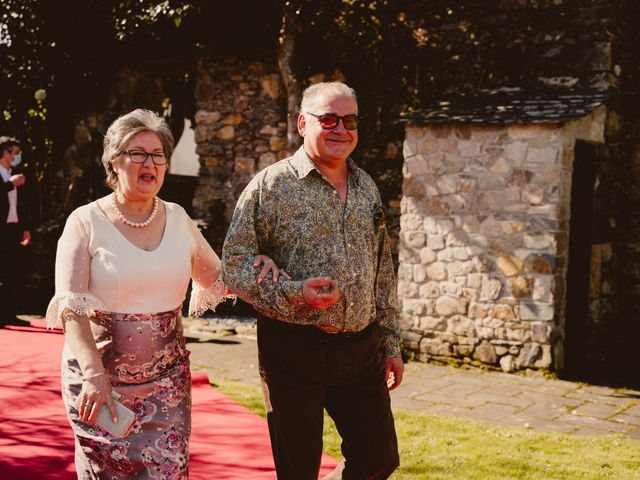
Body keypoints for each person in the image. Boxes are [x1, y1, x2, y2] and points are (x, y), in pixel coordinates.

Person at [45, 109, 279, 479]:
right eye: (137, 153)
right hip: (101, 384)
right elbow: (71, 308)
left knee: (168, 472)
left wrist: (258, 263)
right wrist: (94, 375)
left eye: (157, 155)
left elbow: (219, 277)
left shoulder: (179, 218)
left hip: (166, 386)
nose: (149, 163)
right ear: (115, 161)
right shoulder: (85, 222)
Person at [223, 81, 403, 480]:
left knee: (379, 459)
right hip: (293, 352)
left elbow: (381, 269)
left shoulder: (366, 187)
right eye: (329, 119)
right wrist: (292, 293)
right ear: (303, 123)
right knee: (298, 470)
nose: (341, 128)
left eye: (350, 119)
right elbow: (234, 265)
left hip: (361, 349)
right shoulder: (270, 187)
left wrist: (390, 341)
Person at [0, 136, 31, 327]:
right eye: (15, 153)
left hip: (13, 228)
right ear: (5, 152)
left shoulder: (16, 174)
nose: (17, 157)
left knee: (12, 272)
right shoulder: (10, 178)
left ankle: (10, 313)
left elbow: (21, 205)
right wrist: (10, 184)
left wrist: (25, 228)